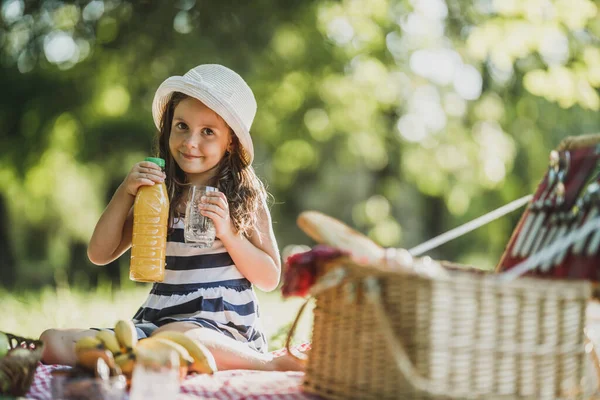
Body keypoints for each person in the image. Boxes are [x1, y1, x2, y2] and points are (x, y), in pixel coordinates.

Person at [39, 64, 305, 372]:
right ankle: (136, 362)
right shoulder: (159, 194)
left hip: (219, 329)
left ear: (230, 141)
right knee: (52, 342)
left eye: (208, 132)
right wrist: (126, 192)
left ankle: (266, 364)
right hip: (158, 319)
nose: (190, 142)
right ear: (169, 128)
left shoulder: (244, 196)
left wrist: (229, 234)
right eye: (182, 126)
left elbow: (269, 277)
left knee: (174, 338)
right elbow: (99, 254)